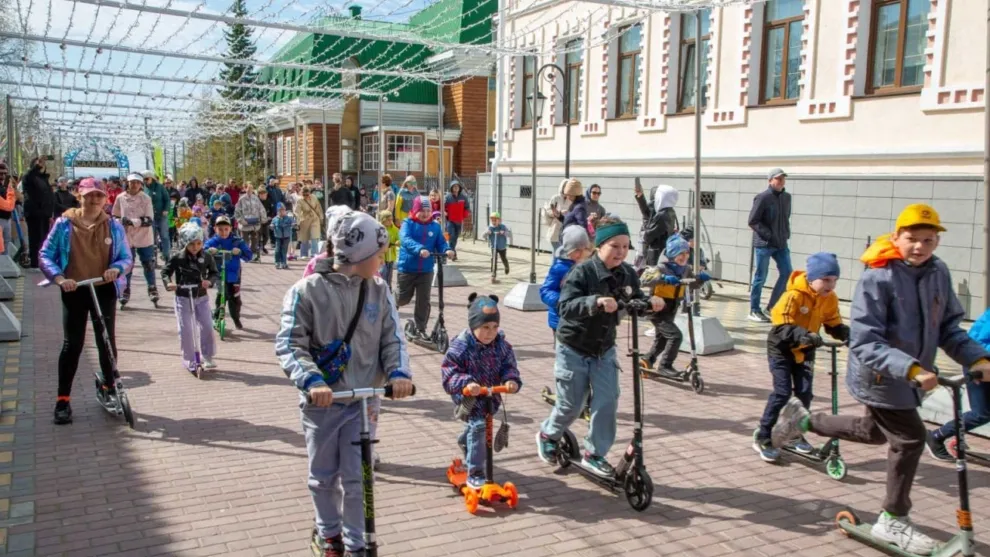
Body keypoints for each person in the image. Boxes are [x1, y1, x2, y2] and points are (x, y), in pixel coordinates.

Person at [771, 204, 990, 554]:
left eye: (928, 240)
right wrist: (912, 369)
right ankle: (894, 519)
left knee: (874, 433)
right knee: (910, 439)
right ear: (896, 236)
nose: (920, 246)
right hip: (879, 375)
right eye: (912, 238)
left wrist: (977, 357)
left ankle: (803, 419)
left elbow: (948, 327)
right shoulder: (879, 276)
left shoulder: (938, 272)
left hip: (913, 375)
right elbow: (866, 340)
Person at [275, 209, 413, 557]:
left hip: (364, 400)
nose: (383, 259)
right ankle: (328, 533)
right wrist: (311, 380)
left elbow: (393, 338)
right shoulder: (305, 292)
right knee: (323, 475)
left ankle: (356, 543)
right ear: (359, 254)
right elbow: (291, 344)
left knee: (358, 478)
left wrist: (398, 374)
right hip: (322, 401)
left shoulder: (379, 290)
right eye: (379, 253)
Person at [537, 217, 663, 477]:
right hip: (573, 346)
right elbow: (564, 306)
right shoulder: (581, 272)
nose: (621, 252)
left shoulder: (627, 273)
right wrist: (595, 302)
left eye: (626, 247)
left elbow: (634, 299)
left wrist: (651, 303)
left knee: (607, 400)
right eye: (615, 246)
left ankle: (594, 454)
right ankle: (548, 434)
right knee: (573, 403)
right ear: (599, 245)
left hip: (604, 349)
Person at [40, 178, 132, 425]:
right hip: (75, 289)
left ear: (106, 199)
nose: (94, 200)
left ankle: (109, 385)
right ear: (79, 196)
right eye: (89, 195)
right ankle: (63, 399)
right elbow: (45, 254)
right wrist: (59, 278)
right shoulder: (64, 224)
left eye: (99, 196)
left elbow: (126, 257)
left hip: (103, 288)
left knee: (106, 342)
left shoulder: (113, 226)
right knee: (73, 344)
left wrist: (116, 268)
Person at [753, 252, 848, 462]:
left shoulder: (829, 298)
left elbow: (833, 322)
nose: (830, 285)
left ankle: (793, 434)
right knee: (782, 392)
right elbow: (781, 326)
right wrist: (803, 335)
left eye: (834, 280)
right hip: (782, 348)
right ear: (812, 277)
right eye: (826, 280)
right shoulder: (793, 296)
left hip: (806, 349)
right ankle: (763, 435)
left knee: (805, 394)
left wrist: (845, 334)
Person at [441, 293, 522, 488]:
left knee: (477, 428)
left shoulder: (501, 345)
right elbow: (449, 374)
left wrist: (511, 379)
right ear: (473, 325)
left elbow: (508, 366)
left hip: (490, 394)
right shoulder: (460, 346)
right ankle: (476, 472)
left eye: (494, 327)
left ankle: (466, 441)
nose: (490, 332)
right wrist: (466, 383)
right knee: (478, 427)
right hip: (468, 398)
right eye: (485, 327)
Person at [639, 235, 711, 371]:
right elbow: (644, 279)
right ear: (672, 254)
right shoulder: (661, 267)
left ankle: (648, 359)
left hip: (672, 308)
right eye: (680, 254)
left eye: (686, 253)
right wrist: (663, 278)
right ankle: (665, 365)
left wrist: (699, 279)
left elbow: (691, 283)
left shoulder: (685, 269)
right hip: (657, 309)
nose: (684, 257)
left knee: (662, 339)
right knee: (675, 336)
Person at [927, 307, 990, 460]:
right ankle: (936, 436)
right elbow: (977, 341)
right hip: (979, 363)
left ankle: (958, 436)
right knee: (982, 413)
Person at [162, 223, 218, 374]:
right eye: (191, 244)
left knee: (207, 325)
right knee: (186, 329)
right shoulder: (177, 257)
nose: (195, 247)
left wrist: (209, 282)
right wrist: (170, 283)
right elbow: (165, 272)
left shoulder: (206, 256)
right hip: (183, 296)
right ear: (185, 243)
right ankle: (190, 359)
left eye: (199, 243)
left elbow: (214, 272)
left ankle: (208, 357)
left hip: (201, 296)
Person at [397, 195, 454, 338]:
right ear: (415, 210)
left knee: (424, 300)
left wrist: (447, 249)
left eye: (428, 211)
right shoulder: (408, 223)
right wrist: (419, 249)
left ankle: (420, 328)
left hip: (426, 270)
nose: (426, 214)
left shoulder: (434, 226)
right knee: (404, 298)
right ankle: (392, 299)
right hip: (408, 268)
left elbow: (440, 242)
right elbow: (405, 239)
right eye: (422, 210)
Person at [748, 168, 793, 323]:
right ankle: (754, 310)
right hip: (764, 244)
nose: (781, 181)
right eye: (778, 179)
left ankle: (772, 306)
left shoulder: (787, 198)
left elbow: (786, 218)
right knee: (761, 277)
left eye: (782, 179)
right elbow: (753, 221)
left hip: (781, 243)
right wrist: (768, 234)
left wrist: (785, 234)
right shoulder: (763, 198)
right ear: (770, 180)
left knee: (787, 272)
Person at [114, 173, 159, 307]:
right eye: (132, 182)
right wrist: (119, 221)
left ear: (141, 185)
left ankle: (152, 287)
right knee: (127, 265)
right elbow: (115, 214)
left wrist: (132, 221)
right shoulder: (120, 198)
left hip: (144, 236)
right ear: (127, 183)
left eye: (137, 183)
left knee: (148, 264)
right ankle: (125, 289)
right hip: (127, 237)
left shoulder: (146, 198)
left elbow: (149, 219)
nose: (134, 185)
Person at [540, 226, 592, 336]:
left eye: (585, 249)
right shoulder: (559, 267)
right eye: (577, 250)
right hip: (560, 320)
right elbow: (545, 291)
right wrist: (561, 302)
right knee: (564, 351)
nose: (581, 253)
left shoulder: (587, 265)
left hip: (581, 319)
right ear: (569, 249)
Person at [204, 216, 252, 330]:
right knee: (222, 294)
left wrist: (240, 251)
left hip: (234, 274)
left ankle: (236, 317)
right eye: (220, 229)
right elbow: (203, 251)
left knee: (234, 298)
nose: (223, 232)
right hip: (219, 273)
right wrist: (209, 251)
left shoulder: (237, 241)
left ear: (230, 228)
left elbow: (249, 255)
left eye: (226, 229)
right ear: (215, 229)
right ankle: (217, 317)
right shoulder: (213, 241)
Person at [23, 156, 55, 269]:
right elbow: (30, 175)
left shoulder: (43, 179)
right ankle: (35, 263)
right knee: (35, 238)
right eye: (39, 164)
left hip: (45, 213)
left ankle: (42, 261)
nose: (42, 165)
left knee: (44, 239)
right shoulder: (29, 177)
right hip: (35, 213)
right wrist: (37, 165)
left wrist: (50, 214)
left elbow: (49, 197)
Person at [639, 184, 679, 267]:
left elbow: (648, 235)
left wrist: (645, 229)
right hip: (663, 251)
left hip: (655, 253)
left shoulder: (661, 215)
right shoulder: (671, 211)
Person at [142, 170, 172, 261]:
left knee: (164, 235)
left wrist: (166, 210)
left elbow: (167, 200)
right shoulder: (143, 188)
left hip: (161, 215)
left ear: (152, 178)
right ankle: (152, 256)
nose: (145, 181)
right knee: (151, 237)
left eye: (147, 179)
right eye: (144, 179)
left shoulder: (160, 187)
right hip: (150, 216)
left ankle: (166, 255)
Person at [234, 185, 267, 261]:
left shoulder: (256, 199)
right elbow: (237, 211)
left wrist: (263, 219)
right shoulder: (241, 199)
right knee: (244, 241)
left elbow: (261, 209)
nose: (249, 191)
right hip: (245, 224)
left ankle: (254, 256)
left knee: (255, 240)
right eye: (248, 189)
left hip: (255, 224)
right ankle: (244, 255)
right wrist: (241, 220)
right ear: (246, 189)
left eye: (251, 189)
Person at [542, 179, 576, 253]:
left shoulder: (571, 199)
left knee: (561, 253)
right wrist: (558, 213)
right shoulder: (556, 198)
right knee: (557, 252)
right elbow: (549, 210)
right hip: (555, 229)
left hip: (566, 230)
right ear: (562, 187)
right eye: (565, 187)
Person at [296, 187, 323, 259]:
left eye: (307, 194)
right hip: (305, 219)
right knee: (304, 237)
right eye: (304, 195)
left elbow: (318, 207)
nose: (306, 196)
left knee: (315, 236)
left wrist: (321, 217)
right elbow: (297, 212)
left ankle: (314, 253)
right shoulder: (299, 200)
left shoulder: (314, 197)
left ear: (310, 193)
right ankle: (304, 254)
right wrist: (297, 222)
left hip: (314, 218)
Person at [444, 179, 470, 252]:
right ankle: (452, 252)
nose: (456, 188)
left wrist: (465, 214)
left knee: (455, 237)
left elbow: (467, 207)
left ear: (459, 188)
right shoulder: (448, 197)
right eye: (454, 186)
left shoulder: (463, 197)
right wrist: (445, 212)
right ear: (451, 188)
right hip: (450, 220)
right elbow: (444, 207)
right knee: (451, 235)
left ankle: (452, 249)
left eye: (457, 186)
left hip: (459, 220)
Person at [378, 210, 399, 289]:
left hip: (391, 257)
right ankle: (382, 290)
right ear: (383, 219)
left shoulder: (394, 229)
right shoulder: (378, 228)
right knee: (382, 274)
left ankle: (388, 290)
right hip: (381, 257)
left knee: (389, 276)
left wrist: (398, 242)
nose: (391, 221)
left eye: (391, 219)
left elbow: (399, 239)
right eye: (389, 220)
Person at [270, 203, 294, 270]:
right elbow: (272, 224)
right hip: (278, 237)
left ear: (285, 211)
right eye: (279, 210)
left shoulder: (289, 218)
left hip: (286, 237)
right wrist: (271, 226)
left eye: (283, 210)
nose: (281, 212)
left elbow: (293, 223)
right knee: (277, 250)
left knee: (284, 250)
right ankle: (277, 262)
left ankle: (284, 263)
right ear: (277, 211)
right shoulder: (275, 219)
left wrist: (294, 225)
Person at [0, 161, 14, 254]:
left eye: (5, 173)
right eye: (1, 173)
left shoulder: (5, 186)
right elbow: (8, 205)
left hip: (7, 218)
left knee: (6, 242)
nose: (3, 176)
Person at [258, 187, 275, 253]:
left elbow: (272, 211)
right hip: (258, 221)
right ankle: (259, 247)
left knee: (266, 236)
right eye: (262, 194)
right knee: (259, 235)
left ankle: (262, 246)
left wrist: (270, 216)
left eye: (265, 194)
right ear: (259, 195)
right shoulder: (257, 202)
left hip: (266, 221)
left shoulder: (268, 201)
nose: (264, 196)